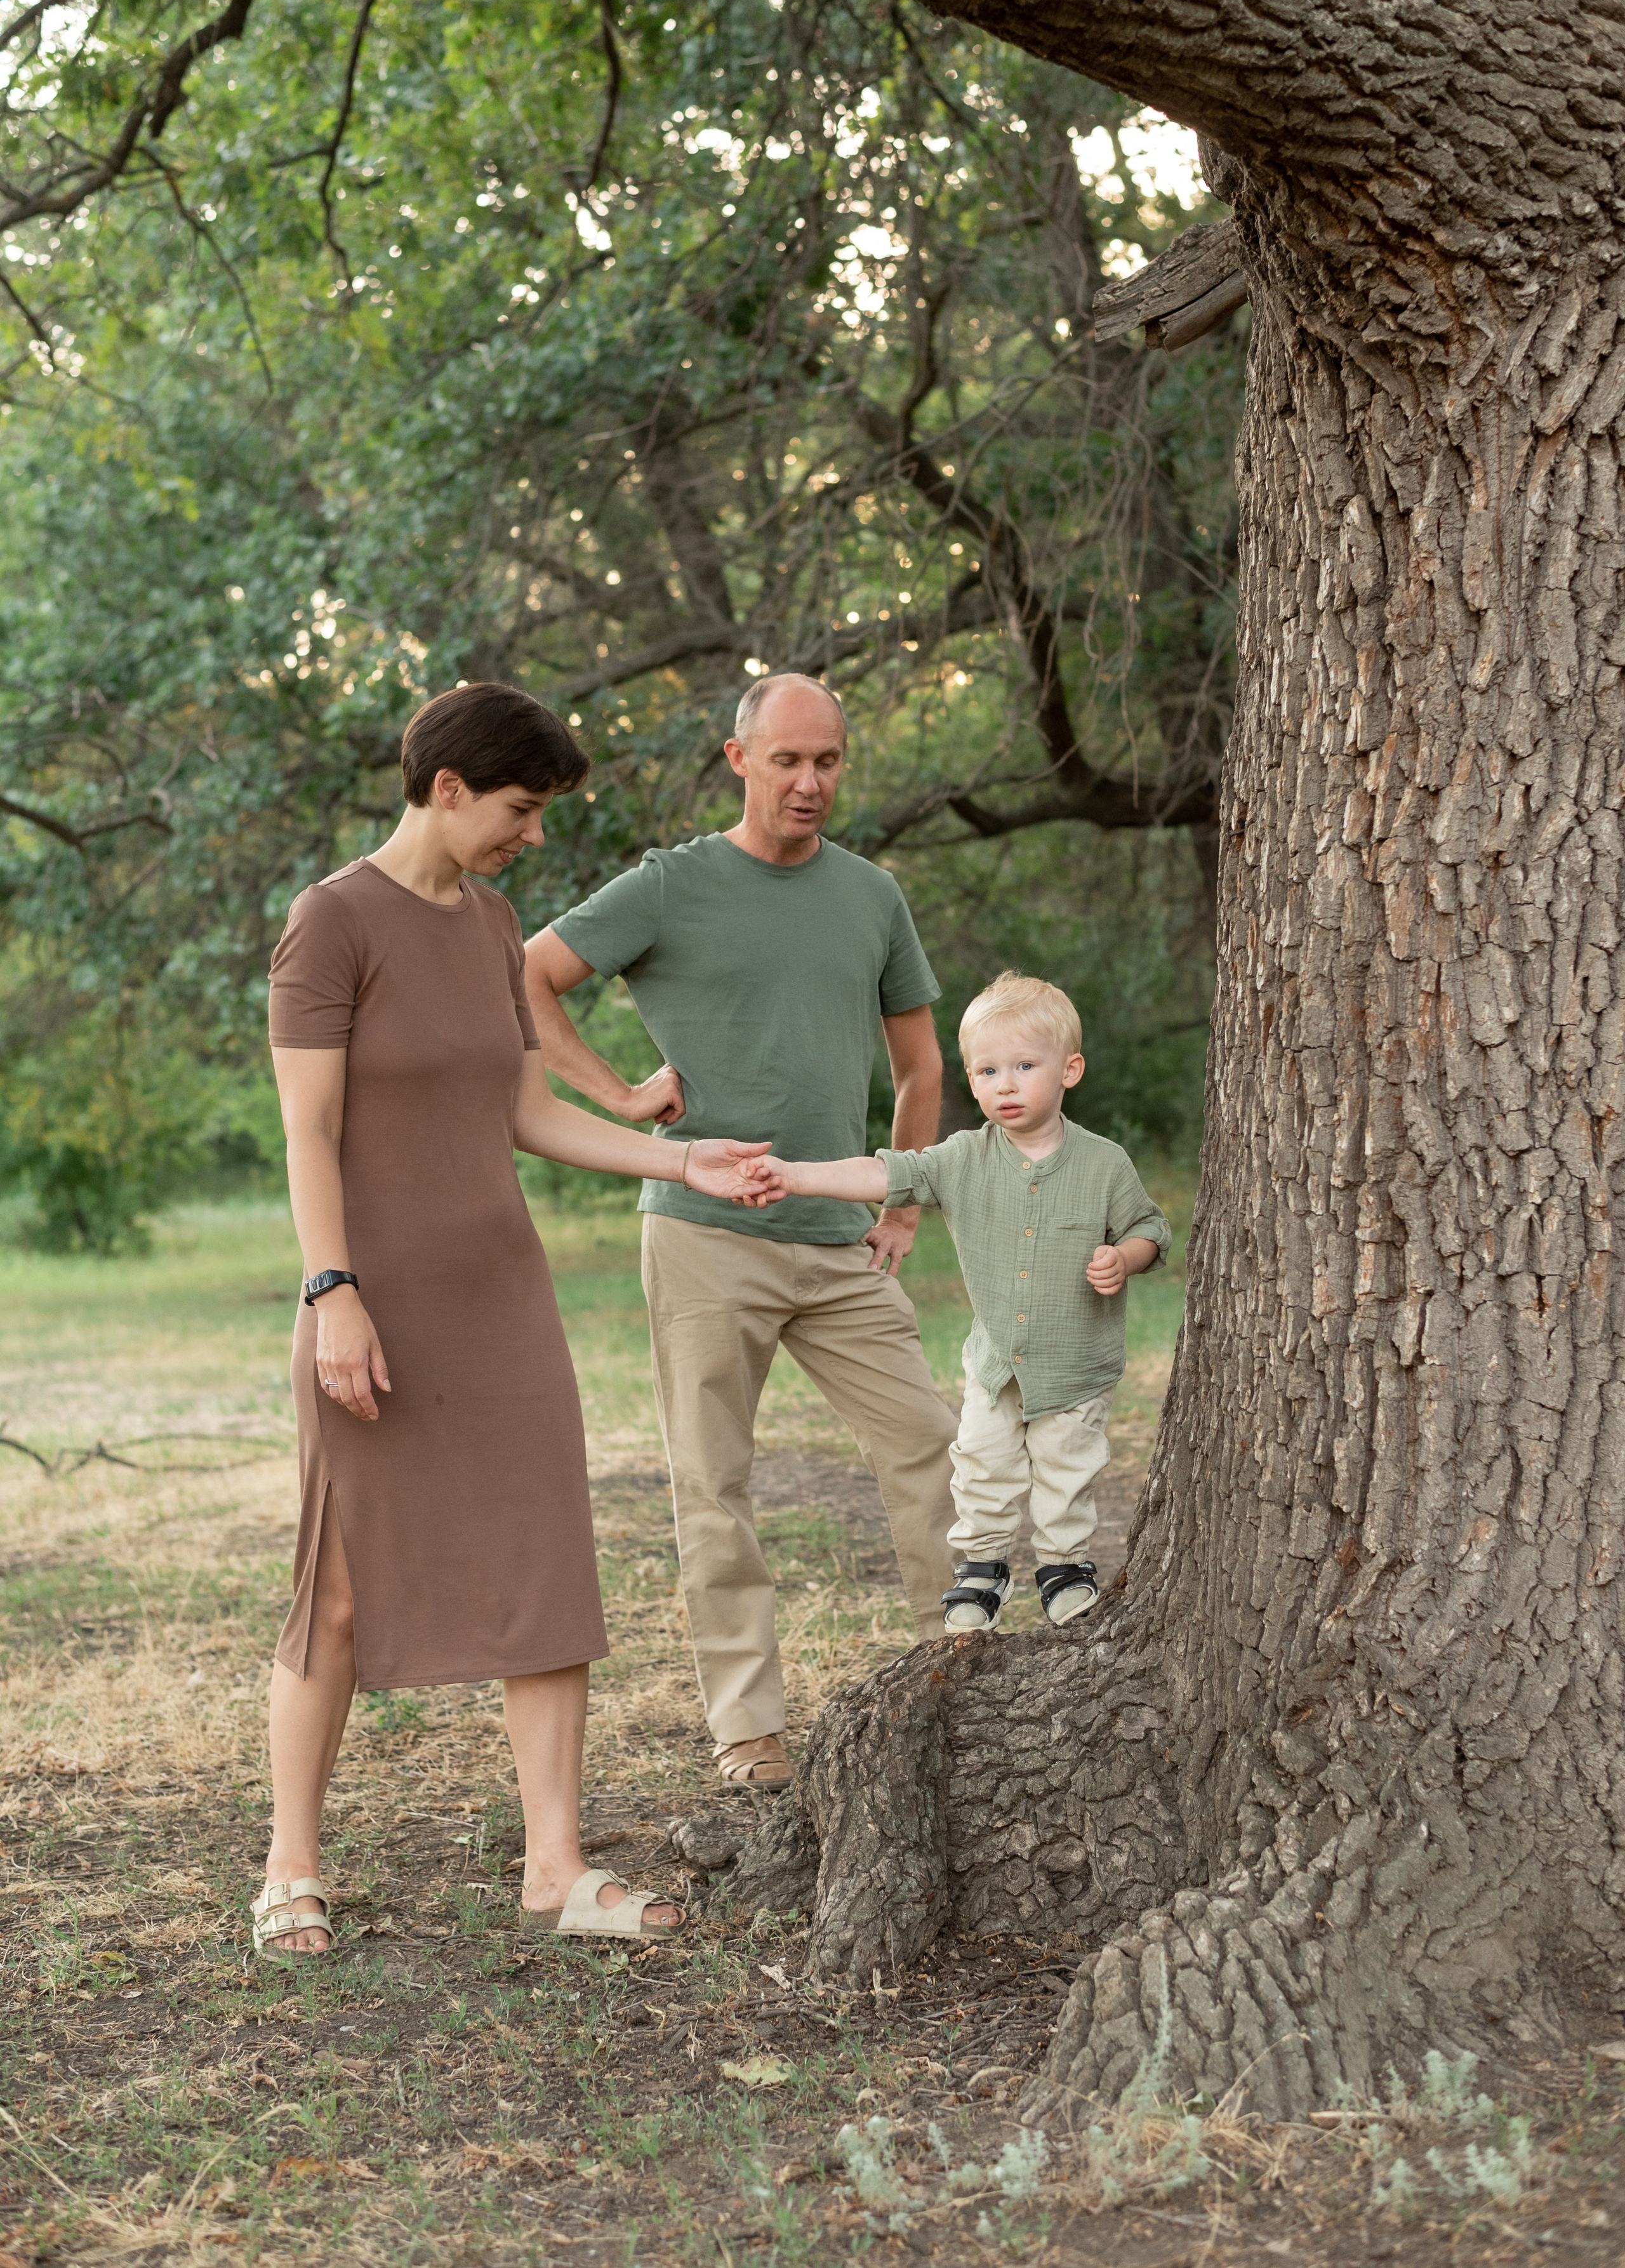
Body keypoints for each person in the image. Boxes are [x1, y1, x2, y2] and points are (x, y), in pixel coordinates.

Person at [255, 682, 770, 1958]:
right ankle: (289, 1869)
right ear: (445, 791)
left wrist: (679, 1163)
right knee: (337, 1588)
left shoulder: (488, 925)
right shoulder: (330, 925)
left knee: (544, 1568)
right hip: (369, 1298)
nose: (531, 838)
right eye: (520, 811)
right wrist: (333, 1292)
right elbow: (306, 1133)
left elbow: (524, 1113)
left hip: (502, 1292)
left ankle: (555, 1868)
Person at [524, 673, 958, 1792]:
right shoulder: (671, 886)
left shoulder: (871, 897)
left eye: (827, 763)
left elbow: (920, 1065)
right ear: (739, 759)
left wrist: (904, 1201)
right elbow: (526, 974)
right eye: (787, 761)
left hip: (839, 1241)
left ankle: (966, 1679)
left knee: (932, 1450)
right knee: (711, 1484)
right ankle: (749, 1735)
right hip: (704, 1235)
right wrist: (618, 1093)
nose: (810, 783)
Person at [742, 971, 1170, 1633]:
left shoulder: (1104, 1163)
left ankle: (1063, 1566)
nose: (1004, 1083)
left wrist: (1125, 1257)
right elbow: (886, 1171)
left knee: (1066, 1470)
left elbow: (1149, 1227)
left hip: (1076, 1361)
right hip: (997, 1362)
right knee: (980, 1463)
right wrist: (797, 1175)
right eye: (986, 1069)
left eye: (1024, 1066)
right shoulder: (963, 1158)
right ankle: (982, 1567)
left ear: (1069, 1070)